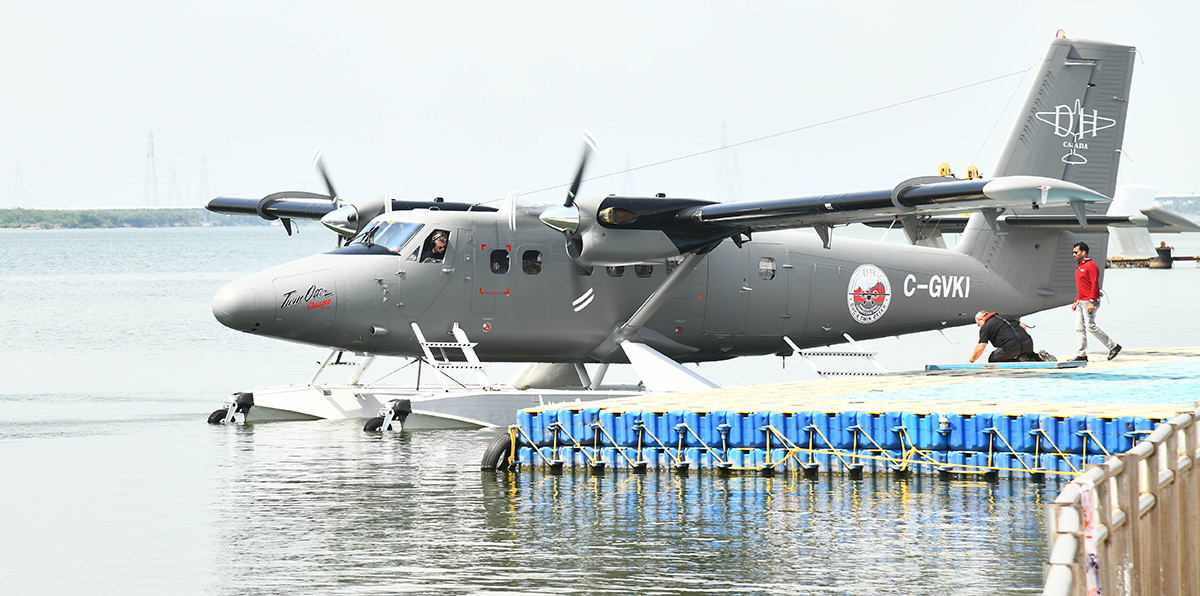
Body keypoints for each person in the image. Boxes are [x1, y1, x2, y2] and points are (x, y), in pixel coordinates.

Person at [1071, 242, 1121, 361]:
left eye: (1076, 252)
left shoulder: (1090, 265)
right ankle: (1081, 354)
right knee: (1078, 327)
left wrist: (1092, 302)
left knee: (1090, 326)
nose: (1074, 254)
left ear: (1083, 252)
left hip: (1089, 301)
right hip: (1081, 301)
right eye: (1073, 252)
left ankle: (1113, 346)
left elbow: (1094, 284)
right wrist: (1076, 300)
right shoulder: (1079, 266)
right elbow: (1082, 286)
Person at [969, 311, 1052, 363]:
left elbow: (980, 347)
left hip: (1011, 347)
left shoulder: (986, 327)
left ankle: (1019, 361)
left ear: (981, 319)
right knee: (1028, 354)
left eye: (978, 324)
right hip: (1028, 343)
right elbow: (1023, 326)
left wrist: (971, 360)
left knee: (993, 359)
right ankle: (1039, 357)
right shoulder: (1006, 317)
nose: (979, 326)